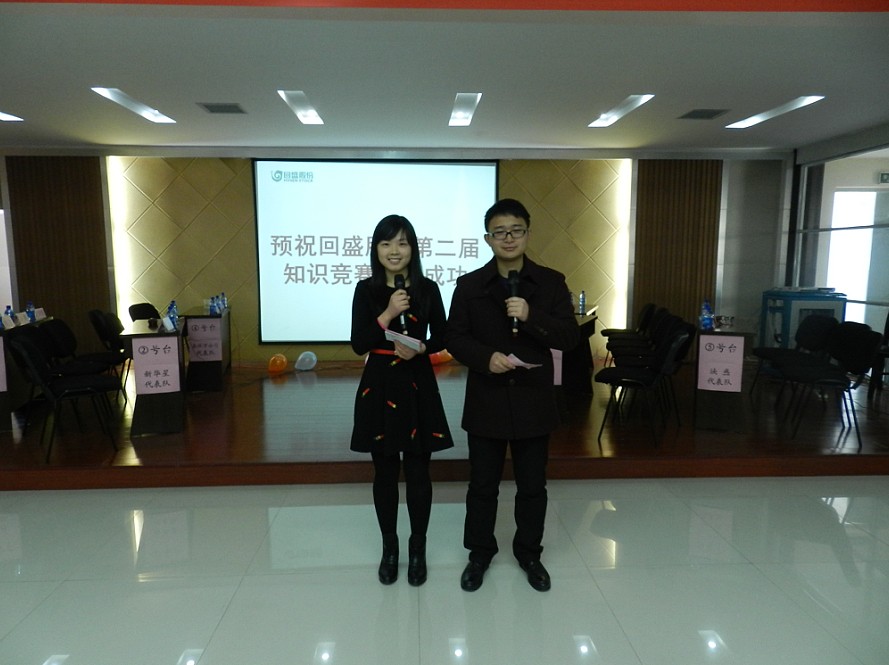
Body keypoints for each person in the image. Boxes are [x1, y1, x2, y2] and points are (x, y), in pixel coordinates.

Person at [446, 198, 579, 592]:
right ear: (488, 238)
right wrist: (486, 358)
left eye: (516, 230)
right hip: (487, 397)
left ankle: (529, 553)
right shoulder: (470, 285)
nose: (508, 238)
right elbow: (455, 338)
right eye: (499, 232)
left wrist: (531, 316)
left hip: (534, 400)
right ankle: (479, 554)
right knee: (482, 486)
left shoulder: (550, 283)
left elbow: (569, 337)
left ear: (527, 234)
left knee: (532, 486)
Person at [350, 214, 453, 586]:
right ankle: (390, 549)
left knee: (419, 471)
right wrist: (388, 313)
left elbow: (445, 336)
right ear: (376, 250)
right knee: (384, 472)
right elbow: (359, 343)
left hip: (416, 383)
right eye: (386, 243)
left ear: (413, 248)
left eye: (402, 243)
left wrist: (422, 348)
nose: (394, 251)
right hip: (379, 384)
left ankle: (417, 548)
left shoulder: (427, 288)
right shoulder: (366, 290)